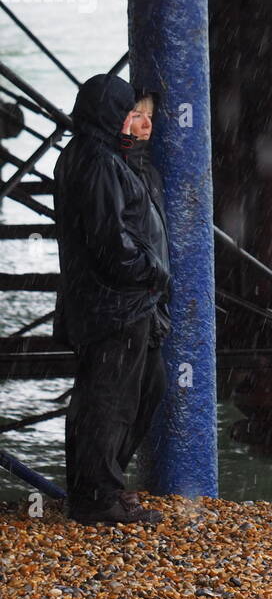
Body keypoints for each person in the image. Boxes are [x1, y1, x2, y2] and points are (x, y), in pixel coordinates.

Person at [53, 75, 171, 526]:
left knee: (143, 385)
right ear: (110, 114)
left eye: (146, 117)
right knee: (110, 397)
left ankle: (98, 484)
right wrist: (152, 272)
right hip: (115, 303)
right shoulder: (98, 162)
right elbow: (110, 241)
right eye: (132, 114)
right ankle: (95, 495)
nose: (141, 125)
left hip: (120, 301)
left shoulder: (101, 158)